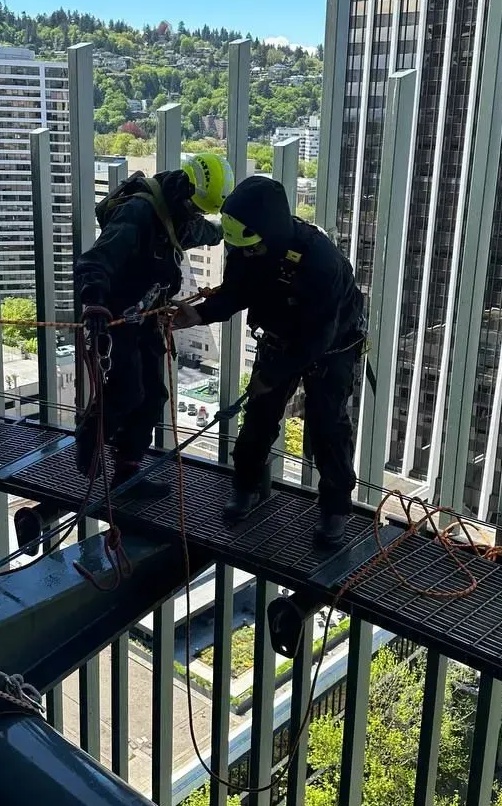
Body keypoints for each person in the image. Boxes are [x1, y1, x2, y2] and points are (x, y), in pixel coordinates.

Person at [173, 175, 364, 547]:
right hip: (281, 339)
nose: (248, 254)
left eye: (254, 247)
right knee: (259, 418)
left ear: (270, 233)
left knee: (327, 425)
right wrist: (200, 315)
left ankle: (335, 508)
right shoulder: (246, 245)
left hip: (332, 347)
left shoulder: (321, 262)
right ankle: (247, 485)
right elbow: (236, 292)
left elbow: (319, 336)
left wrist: (275, 374)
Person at [74, 154, 233, 496]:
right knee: (127, 390)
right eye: (196, 207)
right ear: (185, 190)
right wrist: (95, 302)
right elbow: (97, 259)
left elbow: (204, 231)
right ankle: (90, 437)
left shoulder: (179, 214)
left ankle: (127, 473)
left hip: (145, 315)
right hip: (117, 315)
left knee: (152, 396)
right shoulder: (139, 213)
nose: (197, 214)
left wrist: (229, 230)